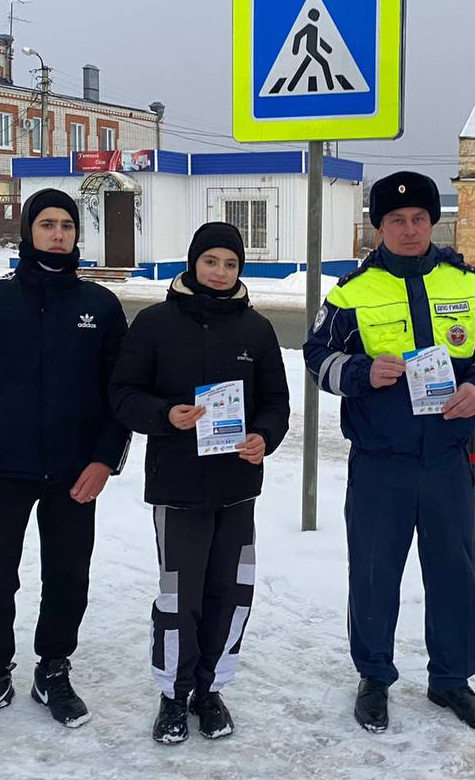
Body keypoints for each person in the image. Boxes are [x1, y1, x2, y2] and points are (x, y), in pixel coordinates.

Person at [303, 170, 475, 734]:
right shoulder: (351, 291)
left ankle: (452, 680)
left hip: (448, 458)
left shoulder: (467, 285)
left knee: (454, 572)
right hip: (380, 462)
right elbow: (316, 354)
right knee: (374, 574)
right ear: (379, 227)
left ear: (431, 221)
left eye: (418, 218)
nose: (409, 228)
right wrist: (360, 372)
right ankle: (374, 677)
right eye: (396, 220)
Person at [0, 189, 130, 735]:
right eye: (47, 224)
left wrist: (104, 462)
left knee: (68, 575)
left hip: (74, 473)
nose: (59, 233)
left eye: (67, 224)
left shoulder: (100, 305)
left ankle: (53, 668)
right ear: (29, 232)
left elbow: (121, 393)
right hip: (0, 473)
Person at [110, 222, 290, 744]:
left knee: (230, 592)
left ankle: (210, 691)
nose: (219, 272)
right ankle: (173, 694)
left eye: (230, 264)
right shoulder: (154, 323)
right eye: (211, 261)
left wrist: (263, 437)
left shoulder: (255, 329)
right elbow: (122, 395)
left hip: (237, 485)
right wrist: (167, 415)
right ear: (193, 263)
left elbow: (275, 403)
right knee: (178, 596)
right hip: (179, 486)